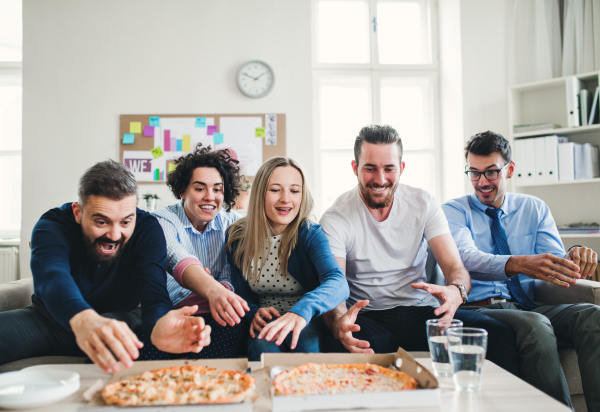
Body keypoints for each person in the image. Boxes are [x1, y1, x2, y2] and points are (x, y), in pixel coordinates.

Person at [319, 125, 519, 375]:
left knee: (498, 335)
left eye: (389, 168)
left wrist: (456, 292)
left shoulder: (423, 203)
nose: (380, 179)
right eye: (370, 168)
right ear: (354, 168)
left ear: (401, 168)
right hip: (369, 316)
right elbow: (332, 285)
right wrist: (339, 321)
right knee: (342, 346)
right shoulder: (337, 217)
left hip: (421, 312)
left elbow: (455, 267)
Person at [0, 160, 211, 372]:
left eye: (126, 222)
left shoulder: (147, 229)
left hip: (119, 322)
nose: (114, 235)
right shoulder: (52, 225)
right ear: (78, 212)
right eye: (102, 222)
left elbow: (154, 293)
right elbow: (52, 277)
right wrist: (84, 320)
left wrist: (158, 325)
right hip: (50, 322)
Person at [442, 130, 600, 411]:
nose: (482, 182)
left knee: (593, 316)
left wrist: (575, 255)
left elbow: (556, 264)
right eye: (474, 173)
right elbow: (466, 258)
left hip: (526, 305)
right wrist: (517, 263)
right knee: (536, 326)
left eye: (491, 172)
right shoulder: (454, 211)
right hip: (479, 308)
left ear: (510, 169)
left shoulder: (534, 208)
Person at [226, 156, 349, 361]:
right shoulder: (237, 236)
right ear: (259, 194)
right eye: (275, 190)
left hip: (305, 320)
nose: (286, 199)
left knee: (304, 346)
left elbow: (338, 282)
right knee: (263, 348)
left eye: (294, 190)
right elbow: (240, 293)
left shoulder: (310, 234)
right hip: (266, 323)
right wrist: (253, 313)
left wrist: (301, 311)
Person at [151, 144, 249, 359]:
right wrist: (212, 288)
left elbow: (231, 277)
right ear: (182, 190)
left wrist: (216, 288)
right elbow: (176, 256)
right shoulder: (162, 220)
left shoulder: (233, 224)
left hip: (219, 316)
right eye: (199, 188)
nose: (210, 196)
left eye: (217, 189)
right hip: (174, 313)